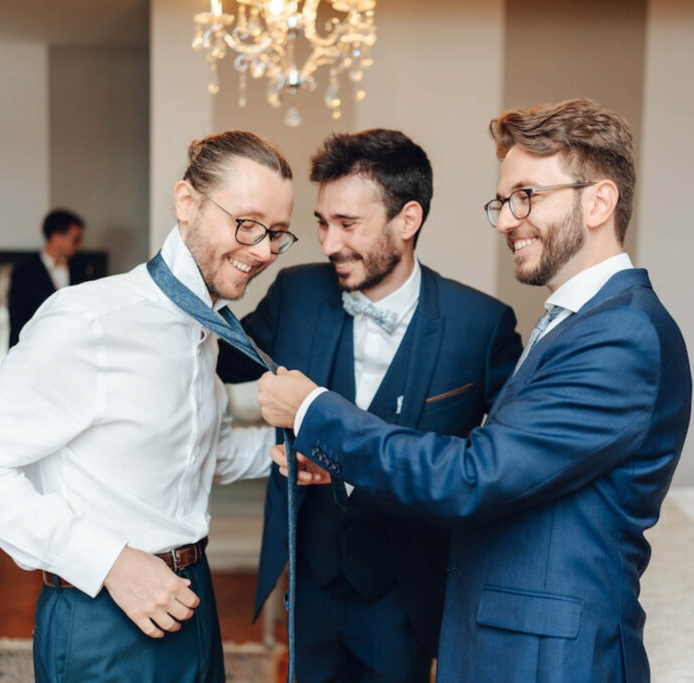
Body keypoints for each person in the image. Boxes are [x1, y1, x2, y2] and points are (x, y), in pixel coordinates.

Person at [256, 99, 693, 682]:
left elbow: (473, 475)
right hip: (493, 636)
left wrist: (311, 409)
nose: (507, 219)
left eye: (526, 197)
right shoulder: (576, 319)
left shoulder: (621, 334)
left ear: (599, 201)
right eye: (504, 202)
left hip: (547, 655)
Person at [0, 131, 298, 683]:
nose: (264, 250)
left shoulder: (206, 332)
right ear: (186, 201)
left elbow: (196, 449)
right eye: (247, 224)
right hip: (103, 613)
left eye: (276, 233)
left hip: (192, 598)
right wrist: (110, 562)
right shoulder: (87, 322)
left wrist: (286, 454)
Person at [218, 128, 522, 682]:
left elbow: (501, 469)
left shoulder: (481, 327)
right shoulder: (297, 293)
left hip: (407, 590)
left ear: (407, 221)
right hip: (310, 580)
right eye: (322, 223)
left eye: (348, 225)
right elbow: (221, 356)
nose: (329, 243)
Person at [8, 209, 89, 347]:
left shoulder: (82, 268)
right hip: (37, 349)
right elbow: (18, 321)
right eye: (76, 239)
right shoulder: (24, 271)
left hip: (75, 348)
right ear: (56, 237)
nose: (80, 245)